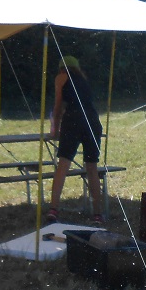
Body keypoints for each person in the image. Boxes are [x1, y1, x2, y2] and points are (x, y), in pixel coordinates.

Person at [47, 55, 104, 223]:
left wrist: (55, 128)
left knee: (63, 165)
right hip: (93, 121)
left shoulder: (61, 77)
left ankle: (53, 209)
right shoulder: (83, 78)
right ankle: (97, 214)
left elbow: (58, 105)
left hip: (73, 120)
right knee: (92, 167)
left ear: (61, 68)